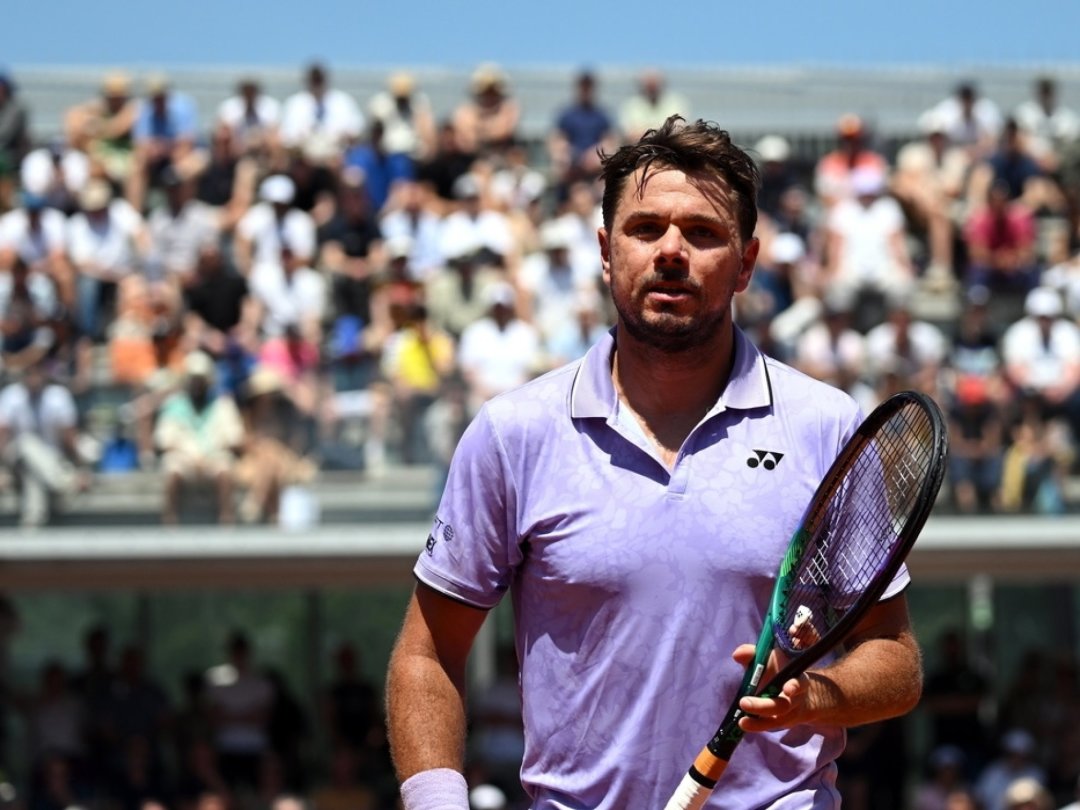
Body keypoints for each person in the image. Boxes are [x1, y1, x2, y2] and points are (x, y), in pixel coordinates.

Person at [385, 116, 923, 809]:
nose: (672, 251)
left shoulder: (827, 427)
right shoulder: (513, 433)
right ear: (608, 252)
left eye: (702, 233)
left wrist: (814, 694)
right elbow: (426, 653)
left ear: (747, 262)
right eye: (646, 229)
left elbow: (897, 661)